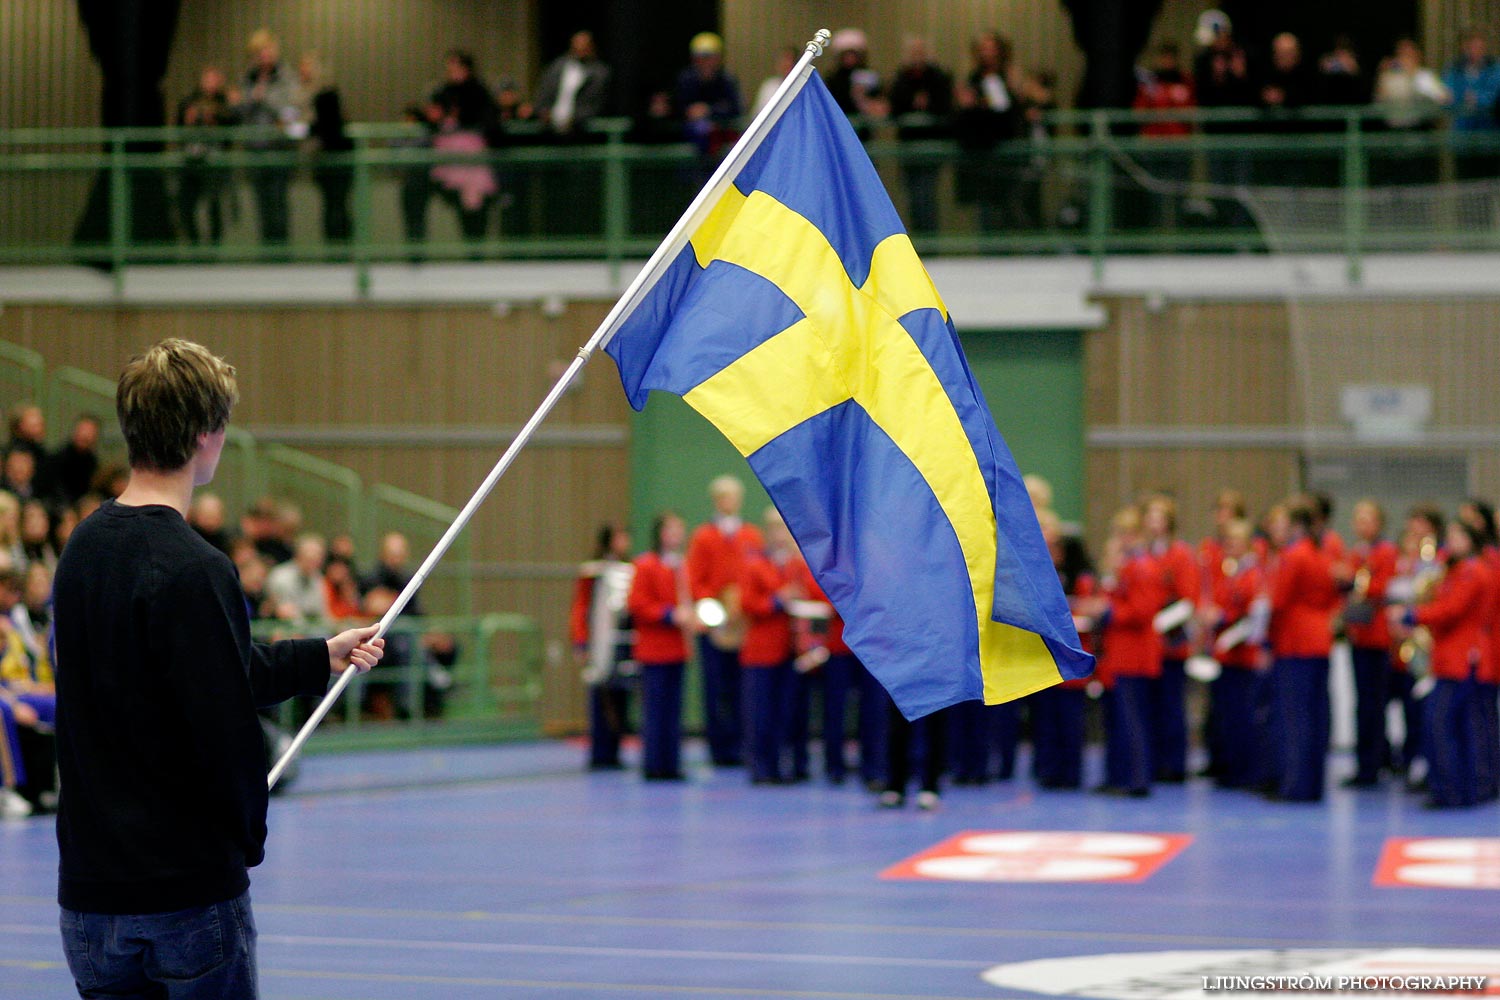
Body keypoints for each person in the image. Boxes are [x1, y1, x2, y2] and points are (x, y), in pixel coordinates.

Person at [51, 338, 384, 998]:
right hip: (186, 895)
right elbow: (226, 724)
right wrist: (246, 840)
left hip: (90, 898)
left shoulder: (81, 550)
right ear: (207, 435)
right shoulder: (198, 568)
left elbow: (203, 670)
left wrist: (322, 653)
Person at [1390, 520, 1492, 809]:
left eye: (1457, 536)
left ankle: (1453, 789)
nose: (1450, 542)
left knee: (1443, 723)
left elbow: (1451, 609)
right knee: (1449, 723)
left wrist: (1412, 616)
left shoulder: (1471, 572)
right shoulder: (1456, 570)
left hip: (1462, 659)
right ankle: (1455, 788)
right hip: (1450, 658)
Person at [686, 475, 764, 768]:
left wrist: (740, 605)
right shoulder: (704, 536)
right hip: (715, 623)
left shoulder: (751, 536)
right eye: (725, 497)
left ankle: (742, 744)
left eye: (734, 496)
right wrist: (716, 608)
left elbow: (755, 573)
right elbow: (696, 579)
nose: (730, 502)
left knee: (742, 687)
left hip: (743, 623)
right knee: (715, 686)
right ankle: (719, 747)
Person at [1267, 500, 1339, 802]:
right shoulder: (1323, 555)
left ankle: (1295, 785)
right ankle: (1313, 783)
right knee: (1315, 715)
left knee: (1295, 718)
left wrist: (1267, 638)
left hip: (1295, 641)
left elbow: (1279, 600)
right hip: (1319, 639)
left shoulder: (1293, 556)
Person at [626, 512, 696, 781]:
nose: (678, 534)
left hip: (677, 648)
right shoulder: (646, 565)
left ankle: (671, 763)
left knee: (673, 711)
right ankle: (654, 764)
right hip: (654, 650)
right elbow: (638, 604)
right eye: (673, 529)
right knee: (655, 711)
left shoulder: (681, 566)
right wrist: (669, 614)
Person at [738, 508, 802, 785]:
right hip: (761, 652)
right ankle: (760, 766)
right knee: (760, 713)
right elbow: (747, 603)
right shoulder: (755, 564)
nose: (780, 536)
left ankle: (778, 765)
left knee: (783, 712)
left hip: (788, 649)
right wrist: (778, 601)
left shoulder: (796, 566)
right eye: (776, 529)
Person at [1339, 500, 1399, 787]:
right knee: (1364, 702)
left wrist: (1354, 582)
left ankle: (1371, 765)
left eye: (1367, 519)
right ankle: (1373, 758)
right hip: (1359, 634)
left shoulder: (1385, 552)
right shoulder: (1357, 552)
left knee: (1372, 704)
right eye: (1357, 519)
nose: (1361, 525)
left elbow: (1382, 587)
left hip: (1377, 638)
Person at [570, 523, 636, 771]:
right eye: (621, 536)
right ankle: (600, 752)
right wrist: (580, 641)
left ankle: (615, 751)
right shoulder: (593, 571)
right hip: (598, 643)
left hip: (622, 644)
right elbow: (580, 608)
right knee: (600, 697)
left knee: (620, 697)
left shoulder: (629, 569)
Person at [239, 29, 302, 250]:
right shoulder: (248, 78)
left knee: (279, 203)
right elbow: (241, 111)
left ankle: (282, 254)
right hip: (256, 150)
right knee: (262, 205)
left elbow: (292, 112)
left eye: (266, 50)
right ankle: (266, 254)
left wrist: (265, 98)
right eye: (258, 52)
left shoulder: (287, 76)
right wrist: (248, 99)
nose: (263, 56)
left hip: (280, 149)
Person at [888, 37, 953, 235]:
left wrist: (928, 104)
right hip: (909, 146)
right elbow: (895, 107)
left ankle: (930, 237)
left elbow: (945, 105)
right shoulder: (901, 78)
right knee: (914, 195)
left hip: (932, 144)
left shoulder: (938, 77)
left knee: (928, 194)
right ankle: (918, 238)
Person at [176, 66, 239, 245]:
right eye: (208, 79)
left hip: (215, 160)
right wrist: (190, 120)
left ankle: (214, 245)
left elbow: (233, 127)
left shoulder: (224, 104)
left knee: (214, 204)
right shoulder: (189, 102)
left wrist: (218, 117)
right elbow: (179, 128)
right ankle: (194, 244)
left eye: (214, 79)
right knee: (186, 205)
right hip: (192, 159)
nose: (210, 83)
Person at [299, 52, 354, 246]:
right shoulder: (326, 99)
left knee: (335, 208)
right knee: (336, 207)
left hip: (332, 161)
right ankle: (339, 247)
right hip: (330, 162)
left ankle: (338, 248)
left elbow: (315, 127)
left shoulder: (325, 99)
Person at [675, 32, 743, 156]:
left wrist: (709, 110)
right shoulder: (686, 80)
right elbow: (678, 108)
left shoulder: (727, 80)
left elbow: (735, 108)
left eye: (710, 57)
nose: (705, 62)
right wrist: (690, 112)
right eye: (701, 57)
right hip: (692, 138)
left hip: (723, 135)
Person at [50, 414, 102, 510]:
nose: (85, 435)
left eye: (90, 432)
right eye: (82, 430)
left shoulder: (93, 462)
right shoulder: (59, 458)